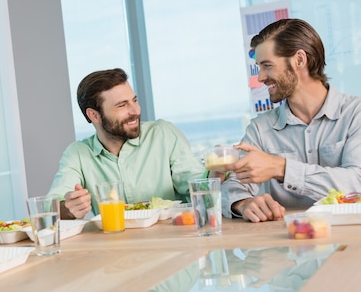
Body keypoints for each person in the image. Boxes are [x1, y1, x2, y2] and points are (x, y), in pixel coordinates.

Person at [222, 18, 361, 222]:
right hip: (289, 245)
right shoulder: (260, 129)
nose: (260, 77)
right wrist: (242, 203)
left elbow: (357, 181)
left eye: (267, 65)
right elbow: (232, 185)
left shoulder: (355, 114)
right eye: (259, 67)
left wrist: (281, 168)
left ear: (299, 60)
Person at [48, 68, 207, 218]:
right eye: (122, 105)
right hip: (115, 245)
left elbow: (200, 188)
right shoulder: (77, 153)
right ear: (94, 115)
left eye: (134, 100)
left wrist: (218, 173)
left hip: (173, 240)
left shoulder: (163, 134)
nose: (135, 111)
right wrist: (68, 209)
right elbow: (50, 206)